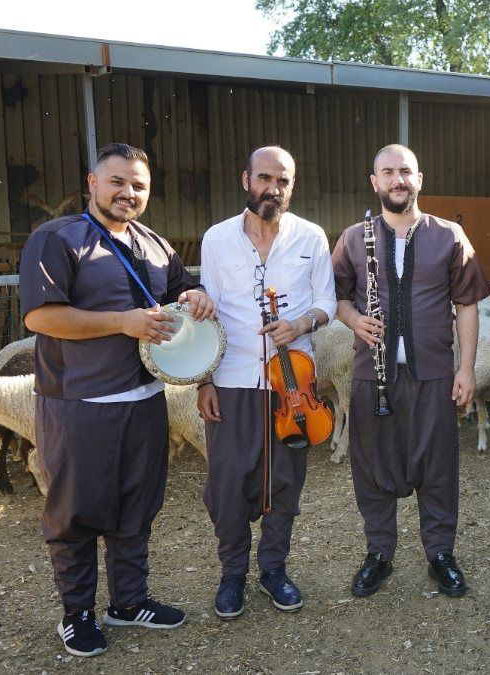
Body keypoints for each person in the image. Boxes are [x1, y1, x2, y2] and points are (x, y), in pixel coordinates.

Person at [19, 142, 214, 657]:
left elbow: (182, 290)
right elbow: (41, 317)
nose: (129, 192)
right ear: (92, 183)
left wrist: (196, 295)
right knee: (76, 512)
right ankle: (77, 614)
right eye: (118, 182)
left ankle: (129, 602)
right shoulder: (56, 239)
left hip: (146, 398)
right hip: (80, 403)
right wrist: (122, 323)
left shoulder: (155, 244)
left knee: (137, 506)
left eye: (138, 185)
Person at [331, 144, 489, 598]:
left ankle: (440, 554)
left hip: (433, 374)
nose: (397, 180)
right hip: (371, 374)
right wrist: (354, 320)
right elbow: (335, 297)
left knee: (438, 467)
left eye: (405, 172)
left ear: (418, 179)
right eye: (388, 172)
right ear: (374, 182)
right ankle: (379, 554)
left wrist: (466, 369)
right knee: (371, 467)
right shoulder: (352, 238)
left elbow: (467, 304)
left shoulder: (450, 235)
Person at [197, 146, 336, 619]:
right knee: (227, 483)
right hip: (232, 379)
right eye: (264, 178)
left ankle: (273, 569)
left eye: (282, 181)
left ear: (291, 187)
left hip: (292, 384)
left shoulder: (311, 236)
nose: (272, 189)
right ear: (246, 180)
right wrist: (204, 381)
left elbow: (327, 303)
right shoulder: (216, 239)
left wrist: (300, 324)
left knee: (286, 482)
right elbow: (207, 315)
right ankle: (232, 573)